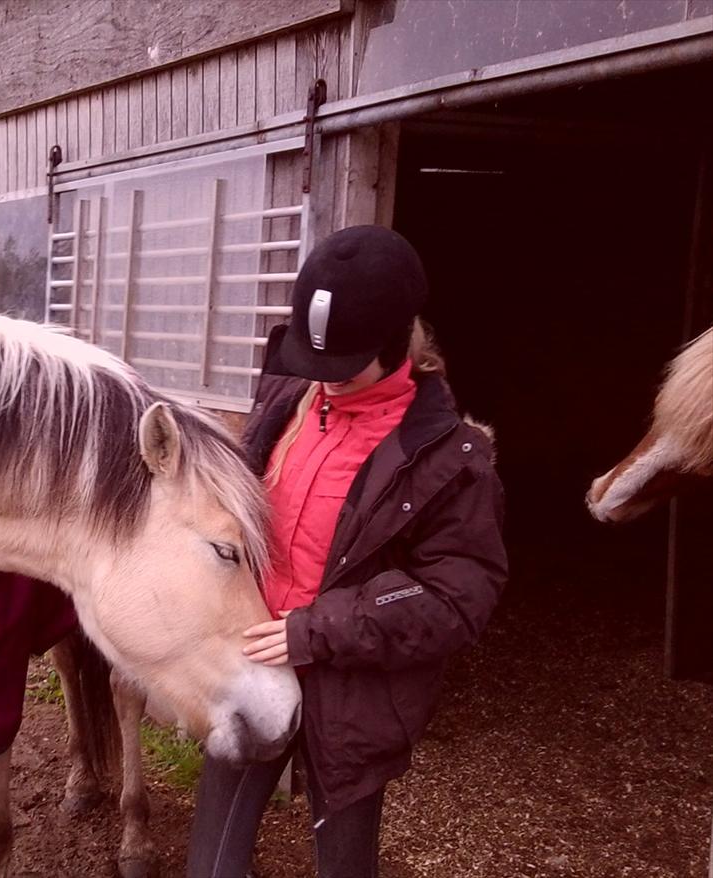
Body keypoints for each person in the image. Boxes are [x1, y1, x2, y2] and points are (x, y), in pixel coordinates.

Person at [186, 225, 508, 878]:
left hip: (353, 695)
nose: (323, 381)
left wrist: (317, 630)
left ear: (395, 347)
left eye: (341, 367)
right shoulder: (287, 395)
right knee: (211, 868)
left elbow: (458, 598)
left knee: (344, 868)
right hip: (253, 665)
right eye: (313, 361)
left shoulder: (451, 459)